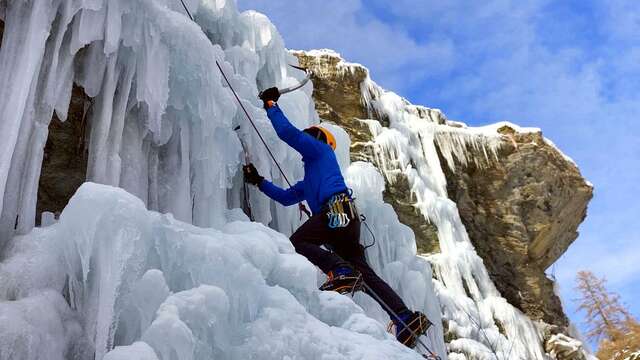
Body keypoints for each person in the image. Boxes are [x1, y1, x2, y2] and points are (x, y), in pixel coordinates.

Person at [242, 87, 432, 348]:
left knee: (298, 241)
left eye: (309, 137)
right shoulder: (309, 179)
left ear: (318, 138)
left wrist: (271, 105)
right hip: (346, 222)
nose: (304, 143)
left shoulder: (321, 151)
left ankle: (339, 270)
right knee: (366, 276)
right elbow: (286, 197)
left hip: (336, 211)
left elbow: (287, 133)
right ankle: (404, 317)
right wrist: (259, 182)